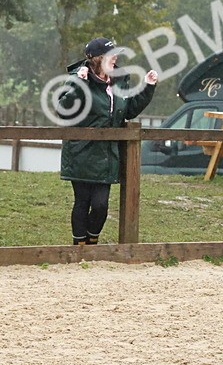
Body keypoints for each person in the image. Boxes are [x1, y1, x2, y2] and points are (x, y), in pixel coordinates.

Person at [59, 37, 158, 246]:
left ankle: (92, 241)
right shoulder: (78, 77)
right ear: (97, 59)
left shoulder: (119, 80)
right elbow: (64, 109)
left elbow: (127, 110)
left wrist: (148, 87)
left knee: (101, 205)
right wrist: (80, 83)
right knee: (82, 202)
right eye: (111, 54)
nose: (116, 58)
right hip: (81, 153)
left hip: (107, 155)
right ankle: (80, 247)